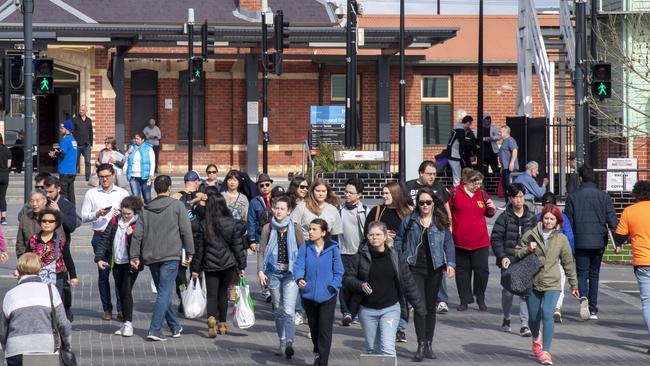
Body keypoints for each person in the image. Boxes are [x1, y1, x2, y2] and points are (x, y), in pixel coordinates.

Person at [345, 221, 425, 356]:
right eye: (371, 235)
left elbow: (408, 282)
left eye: (378, 234)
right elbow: (347, 279)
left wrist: (419, 307)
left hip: (390, 308)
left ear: (385, 236)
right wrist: (360, 285)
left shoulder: (396, 257)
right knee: (372, 349)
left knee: (388, 349)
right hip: (367, 310)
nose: (374, 237)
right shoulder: (359, 257)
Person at [130, 175, 194, 341]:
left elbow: (137, 234)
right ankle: (154, 329)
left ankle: (174, 326)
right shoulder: (177, 205)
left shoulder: (146, 209)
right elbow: (186, 231)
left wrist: (134, 255)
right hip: (171, 254)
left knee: (162, 292)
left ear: (155, 189)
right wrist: (190, 251)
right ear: (170, 188)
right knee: (164, 292)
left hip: (151, 255)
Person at [395, 188, 456, 361]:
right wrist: (401, 257)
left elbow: (449, 243)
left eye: (428, 202)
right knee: (420, 307)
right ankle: (421, 344)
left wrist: (450, 264)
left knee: (430, 307)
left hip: (435, 269)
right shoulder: (410, 220)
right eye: (421, 203)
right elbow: (399, 239)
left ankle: (429, 343)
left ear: (433, 203)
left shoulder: (440, 221)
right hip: (414, 268)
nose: (424, 206)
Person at [515, 204, 579, 366]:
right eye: (546, 218)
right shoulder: (531, 234)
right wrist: (528, 249)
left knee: (547, 314)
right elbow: (517, 252)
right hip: (533, 282)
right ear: (541, 219)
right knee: (534, 318)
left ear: (557, 221)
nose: (549, 221)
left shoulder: (561, 239)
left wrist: (574, 284)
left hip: (552, 282)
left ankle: (546, 351)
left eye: (552, 219)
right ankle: (537, 339)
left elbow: (568, 262)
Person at [564, 164, 618, 321]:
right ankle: (593, 309)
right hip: (598, 241)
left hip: (580, 241)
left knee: (581, 273)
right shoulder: (604, 196)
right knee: (594, 274)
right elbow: (612, 219)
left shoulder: (573, 197)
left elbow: (568, 222)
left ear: (580, 178)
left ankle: (583, 299)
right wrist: (618, 240)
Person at [0, 253, 72, 366]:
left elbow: (3, 329)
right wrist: (67, 346)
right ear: (39, 269)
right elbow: (64, 324)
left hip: (16, 350)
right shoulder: (51, 290)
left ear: (19, 270)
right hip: (46, 349)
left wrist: (5, 349)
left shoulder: (10, 295)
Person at [191, 190, 246, 338]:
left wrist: (195, 269)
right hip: (228, 264)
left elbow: (199, 250)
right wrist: (241, 266)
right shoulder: (231, 223)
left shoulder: (204, 224)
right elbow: (237, 246)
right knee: (223, 294)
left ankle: (211, 318)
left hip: (210, 264)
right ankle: (222, 323)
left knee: (211, 294)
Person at [364, 182, 412, 343]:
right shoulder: (377, 211)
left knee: (402, 294)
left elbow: (411, 236)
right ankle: (383, 323)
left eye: (387, 193)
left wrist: (396, 235)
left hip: (400, 258)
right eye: (383, 193)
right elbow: (367, 232)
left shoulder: (406, 212)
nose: (384, 196)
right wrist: (381, 236)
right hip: (379, 259)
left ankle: (400, 327)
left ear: (396, 194)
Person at [257, 195, 304, 358]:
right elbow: (261, 251)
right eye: (276, 208)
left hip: (291, 274)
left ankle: (289, 343)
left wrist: (302, 272)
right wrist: (260, 271)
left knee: (289, 310)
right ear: (272, 209)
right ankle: (282, 341)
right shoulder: (268, 228)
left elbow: (303, 250)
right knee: (278, 310)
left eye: (282, 208)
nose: (279, 211)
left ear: (289, 211)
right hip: (273, 273)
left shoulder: (295, 227)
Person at [81, 163, 129, 320]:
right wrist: (97, 214)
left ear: (113, 175)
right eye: (101, 177)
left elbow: (131, 213)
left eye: (107, 176)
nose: (104, 179)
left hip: (118, 237)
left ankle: (121, 309)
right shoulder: (91, 193)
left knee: (119, 275)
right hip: (100, 236)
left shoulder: (122, 193)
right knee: (103, 275)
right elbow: (83, 216)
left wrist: (121, 213)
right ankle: (107, 309)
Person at [294, 219, 344, 366]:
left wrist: (332, 287)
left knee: (325, 331)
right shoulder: (305, 247)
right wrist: (299, 279)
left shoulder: (333, 248)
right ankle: (317, 352)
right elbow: (299, 266)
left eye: (314, 229)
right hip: (308, 295)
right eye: (309, 229)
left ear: (323, 232)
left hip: (327, 296)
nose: (310, 232)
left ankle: (323, 362)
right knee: (314, 328)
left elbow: (339, 271)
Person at [404, 160, 453, 313]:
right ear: (421, 173)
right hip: (415, 229)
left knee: (438, 263)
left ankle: (441, 300)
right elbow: (402, 205)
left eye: (434, 174)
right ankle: (414, 300)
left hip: (436, 228)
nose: (432, 177)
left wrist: (449, 223)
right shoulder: (408, 186)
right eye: (429, 174)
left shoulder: (438, 188)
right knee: (414, 267)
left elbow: (445, 205)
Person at [490, 183, 536, 336]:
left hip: (526, 258)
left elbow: (537, 237)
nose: (519, 200)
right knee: (508, 291)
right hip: (508, 258)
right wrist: (502, 256)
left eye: (521, 196)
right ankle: (507, 317)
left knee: (524, 291)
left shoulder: (530, 217)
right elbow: (496, 238)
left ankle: (524, 324)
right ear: (510, 198)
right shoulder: (504, 217)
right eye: (516, 197)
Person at [95, 196, 143, 337]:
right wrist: (98, 258)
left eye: (129, 214)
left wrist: (132, 235)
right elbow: (105, 238)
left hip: (132, 262)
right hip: (117, 261)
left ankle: (128, 324)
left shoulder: (139, 223)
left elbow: (144, 242)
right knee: (121, 291)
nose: (126, 216)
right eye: (124, 212)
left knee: (126, 291)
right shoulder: (116, 220)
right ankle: (124, 324)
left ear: (135, 212)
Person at [450, 169, 496, 311]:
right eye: (474, 183)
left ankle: (480, 297)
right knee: (463, 272)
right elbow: (447, 212)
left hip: (480, 241)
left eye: (479, 183)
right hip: (460, 241)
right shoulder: (455, 193)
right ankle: (464, 300)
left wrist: (492, 209)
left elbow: (489, 213)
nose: (477, 186)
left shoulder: (482, 194)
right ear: (466, 181)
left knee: (482, 271)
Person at [614, 180, 650, 354]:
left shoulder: (630, 211)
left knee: (648, 303)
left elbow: (619, 237)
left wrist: (631, 237)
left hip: (643, 261)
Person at [42, 175, 79, 321]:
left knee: (63, 284)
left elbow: (71, 226)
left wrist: (59, 212)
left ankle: (67, 308)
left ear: (58, 189)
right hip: (44, 250)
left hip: (62, 248)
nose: (48, 195)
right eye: (46, 191)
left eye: (51, 191)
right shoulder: (41, 204)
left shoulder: (67, 205)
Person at [172, 170, 207, 313]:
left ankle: (188, 298)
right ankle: (188, 298)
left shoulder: (180, 196)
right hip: (189, 239)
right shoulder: (184, 196)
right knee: (188, 272)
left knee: (188, 271)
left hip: (189, 239)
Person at [536, 192, 575, 323]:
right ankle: (557, 308)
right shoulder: (562, 218)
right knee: (560, 283)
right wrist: (570, 254)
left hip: (540, 257)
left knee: (541, 282)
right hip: (558, 256)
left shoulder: (537, 218)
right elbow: (569, 237)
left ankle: (544, 306)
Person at [26, 208, 78, 297]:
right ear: (40, 222)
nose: (47, 223)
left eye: (51, 221)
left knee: (55, 302)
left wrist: (73, 276)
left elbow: (68, 259)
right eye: (44, 221)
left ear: (56, 223)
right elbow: (26, 257)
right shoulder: (33, 239)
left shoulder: (60, 240)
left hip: (57, 278)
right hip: (37, 278)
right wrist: (20, 271)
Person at [338, 177, 368, 326]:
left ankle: (353, 312)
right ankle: (346, 313)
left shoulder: (364, 211)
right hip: (342, 253)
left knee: (358, 286)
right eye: (346, 191)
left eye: (351, 192)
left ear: (359, 195)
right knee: (343, 284)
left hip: (359, 254)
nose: (347, 195)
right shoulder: (339, 210)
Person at [16, 190, 65, 258]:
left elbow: (61, 237)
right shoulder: (25, 218)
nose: (34, 204)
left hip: (50, 260)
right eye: (32, 201)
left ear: (45, 201)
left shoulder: (52, 216)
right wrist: (22, 258)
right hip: (29, 261)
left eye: (38, 201)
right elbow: (20, 242)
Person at [48, 120, 78, 204]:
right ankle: (72, 212)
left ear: (67, 129)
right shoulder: (73, 139)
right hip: (72, 171)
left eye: (62, 128)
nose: (60, 129)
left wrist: (54, 154)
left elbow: (62, 154)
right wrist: (57, 153)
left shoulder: (65, 140)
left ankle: (64, 212)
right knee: (71, 194)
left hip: (65, 170)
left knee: (63, 193)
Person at [247, 173, 276, 252]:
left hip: (276, 237)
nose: (265, 187)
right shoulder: (254, 202)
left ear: (271, 185)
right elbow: (251, 221)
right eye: (261, 185)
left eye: (267, 184)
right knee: (261, 263)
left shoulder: (277, 199)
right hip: (260, 238)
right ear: (258, 187)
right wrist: (252, 240)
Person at [445, 115, 475, 186]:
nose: (470, 126)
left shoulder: (456, 128)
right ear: (468, 122)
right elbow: (463, 143)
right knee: (457, 176)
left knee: (456, 175)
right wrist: (473, 146)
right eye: (470, 124)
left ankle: (456, 191)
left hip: (452, 154)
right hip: (454, 155)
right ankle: (456, 193)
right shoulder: (460, 130)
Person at [126, 132, 156, 203]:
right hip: (133, 176)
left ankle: (148, 212)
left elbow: (152, 162)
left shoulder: (149, 148)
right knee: (136, 198)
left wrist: (151, 174)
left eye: (137, 139)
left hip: (145, 177)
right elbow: (126, 160)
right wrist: (127, 153)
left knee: (147, 197)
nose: (135, 140)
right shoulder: (132, 147)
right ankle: (138, 213)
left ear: (142, 140)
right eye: (135, 139)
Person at [73, 105, 93, 181]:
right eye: (80, 110)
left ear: (86, 111)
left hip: (86, 145)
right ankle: (73, 176)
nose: (81, 111)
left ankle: (87, 177)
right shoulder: (75, 120)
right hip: (77, 144)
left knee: (87, 161)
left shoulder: (89, 120)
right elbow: (73, 131)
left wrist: (91, 144)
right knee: (75, 162)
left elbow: (90, 132)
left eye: (82, 110)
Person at [499, 125, 519, 196]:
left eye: (501, 132)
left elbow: (514, 150)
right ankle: (507, 203)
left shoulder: (510, 140)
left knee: (510, 187)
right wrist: (502, 166)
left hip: (510, 168)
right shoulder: (504, 141)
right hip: (505, 168)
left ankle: (511, 203)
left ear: (506, 132)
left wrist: (512, 163)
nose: (499, 133)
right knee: (505, 187)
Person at [0, 133, 11, 225]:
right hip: (4, 175)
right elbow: (9, 165)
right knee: (2, 197)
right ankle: (3, 218)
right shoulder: (7, 150)